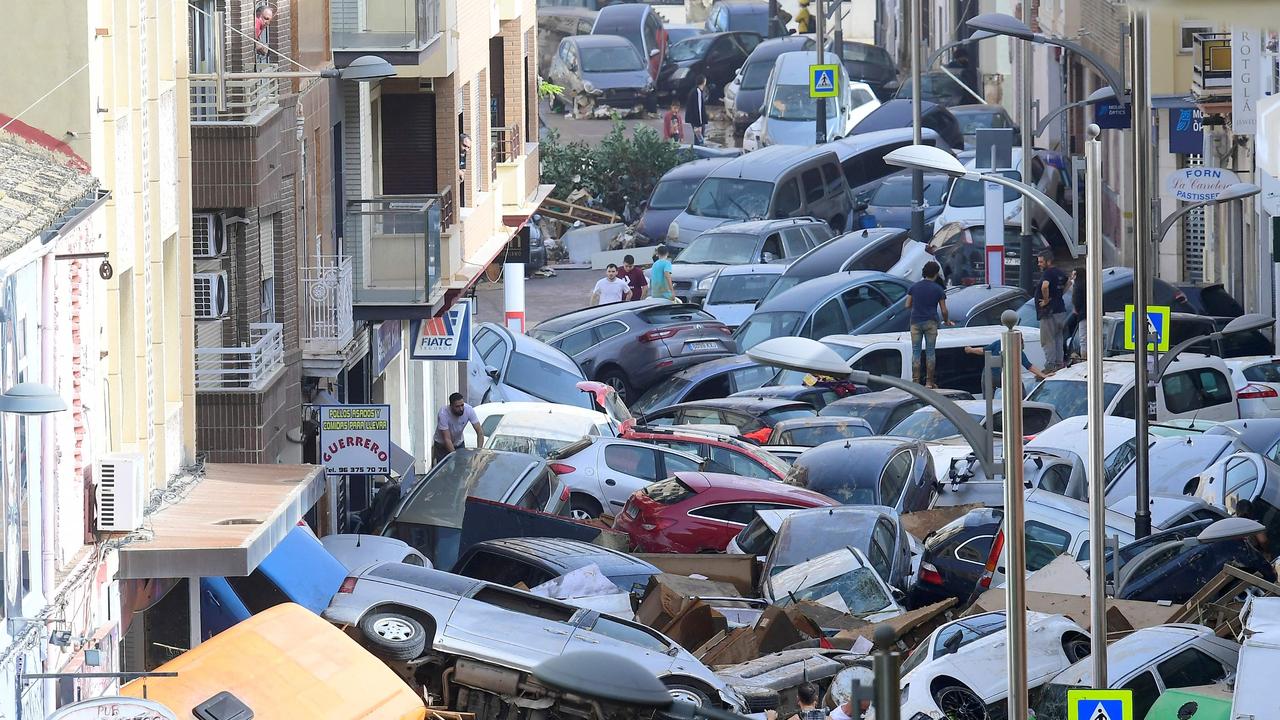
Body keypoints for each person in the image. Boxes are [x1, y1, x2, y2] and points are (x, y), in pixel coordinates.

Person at [904, 261, 952, 388]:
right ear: (936, 274)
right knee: (930, 352)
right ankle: (929, 382)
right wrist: (947, 321)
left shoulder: (914, 287)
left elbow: (907, 305)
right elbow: (944, 310)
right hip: (931, 322)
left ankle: (915, 381)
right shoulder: (938, 289)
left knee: (916, 352)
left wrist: (918, 308)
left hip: (915, 322)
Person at [965, 335, 1050, 395]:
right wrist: (1043, 375)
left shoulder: (1000, 343)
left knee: (988, 400)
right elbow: (1029, 366)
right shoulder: (1015, 349)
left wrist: (970, 350)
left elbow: (983, 350)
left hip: (992, 375)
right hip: (996, 375)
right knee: (1020, 392)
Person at [1037, 251, 1069, 370]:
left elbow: (1044, 286)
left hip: (1049, 312)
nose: (1039, 264)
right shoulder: (1060, 273)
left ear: (1048, 261)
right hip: (1060, 310)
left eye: (1041, 261)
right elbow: (1069, 282)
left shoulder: (1048, 273)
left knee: (1047, 339)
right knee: (1058, 338)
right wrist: (1059, 295)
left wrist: (1046, 301)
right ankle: (1059, 364)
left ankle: (1050, 366)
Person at [434, 392, 483, 465]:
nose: (461, 408)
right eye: (457, 406)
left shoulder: (469, 410)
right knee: (443, 469)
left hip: (459, 443)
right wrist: (456, 456)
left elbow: (479, 432)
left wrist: (478, 452)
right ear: (451, 406)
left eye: (462, 405)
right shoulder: (443, 413)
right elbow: (447, 439)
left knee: (461, 468)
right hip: (442, 445)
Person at [685, 75, 709, 146]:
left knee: (697, 138)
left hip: (694, 119)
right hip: (697, 121)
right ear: (703, 82)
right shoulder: (697, 92)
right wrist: (700, 123)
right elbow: (698, 108)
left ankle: (696, 153)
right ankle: (699, 154)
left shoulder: (694, 91)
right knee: (699, 139)